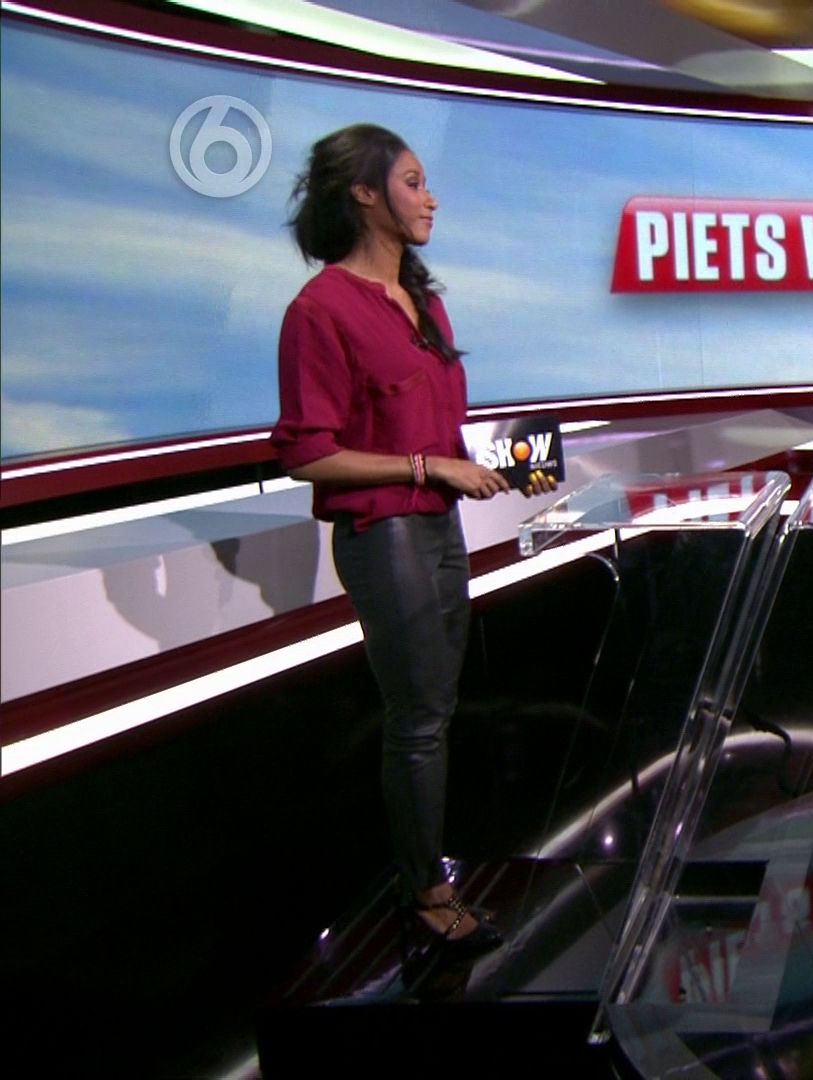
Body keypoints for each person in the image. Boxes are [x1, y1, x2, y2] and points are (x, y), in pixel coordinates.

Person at [270, 124, 549, 957]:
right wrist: (428, 468)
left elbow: (439, 427)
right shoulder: (320, 310)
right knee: (419, 717)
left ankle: (429, 873)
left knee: (437, 708)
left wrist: (506, 463)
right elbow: (306, 452)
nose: (432, 200)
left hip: (437, 522)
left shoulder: (423, 301)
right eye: (415, 182)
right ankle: (425, 895)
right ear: (365, 194)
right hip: (384, 530)